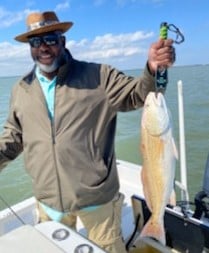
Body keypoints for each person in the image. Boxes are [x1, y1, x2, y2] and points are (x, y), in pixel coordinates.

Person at [0, 11, 175, 253]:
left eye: (50, 39)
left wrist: (152, 69)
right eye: (35, 41)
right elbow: (13, 136)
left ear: (63, 40)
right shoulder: (21, 88)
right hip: (48, 201)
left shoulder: (98, 76)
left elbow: (137, 94)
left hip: (98, 201)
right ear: (30, 47)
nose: (43, 47)